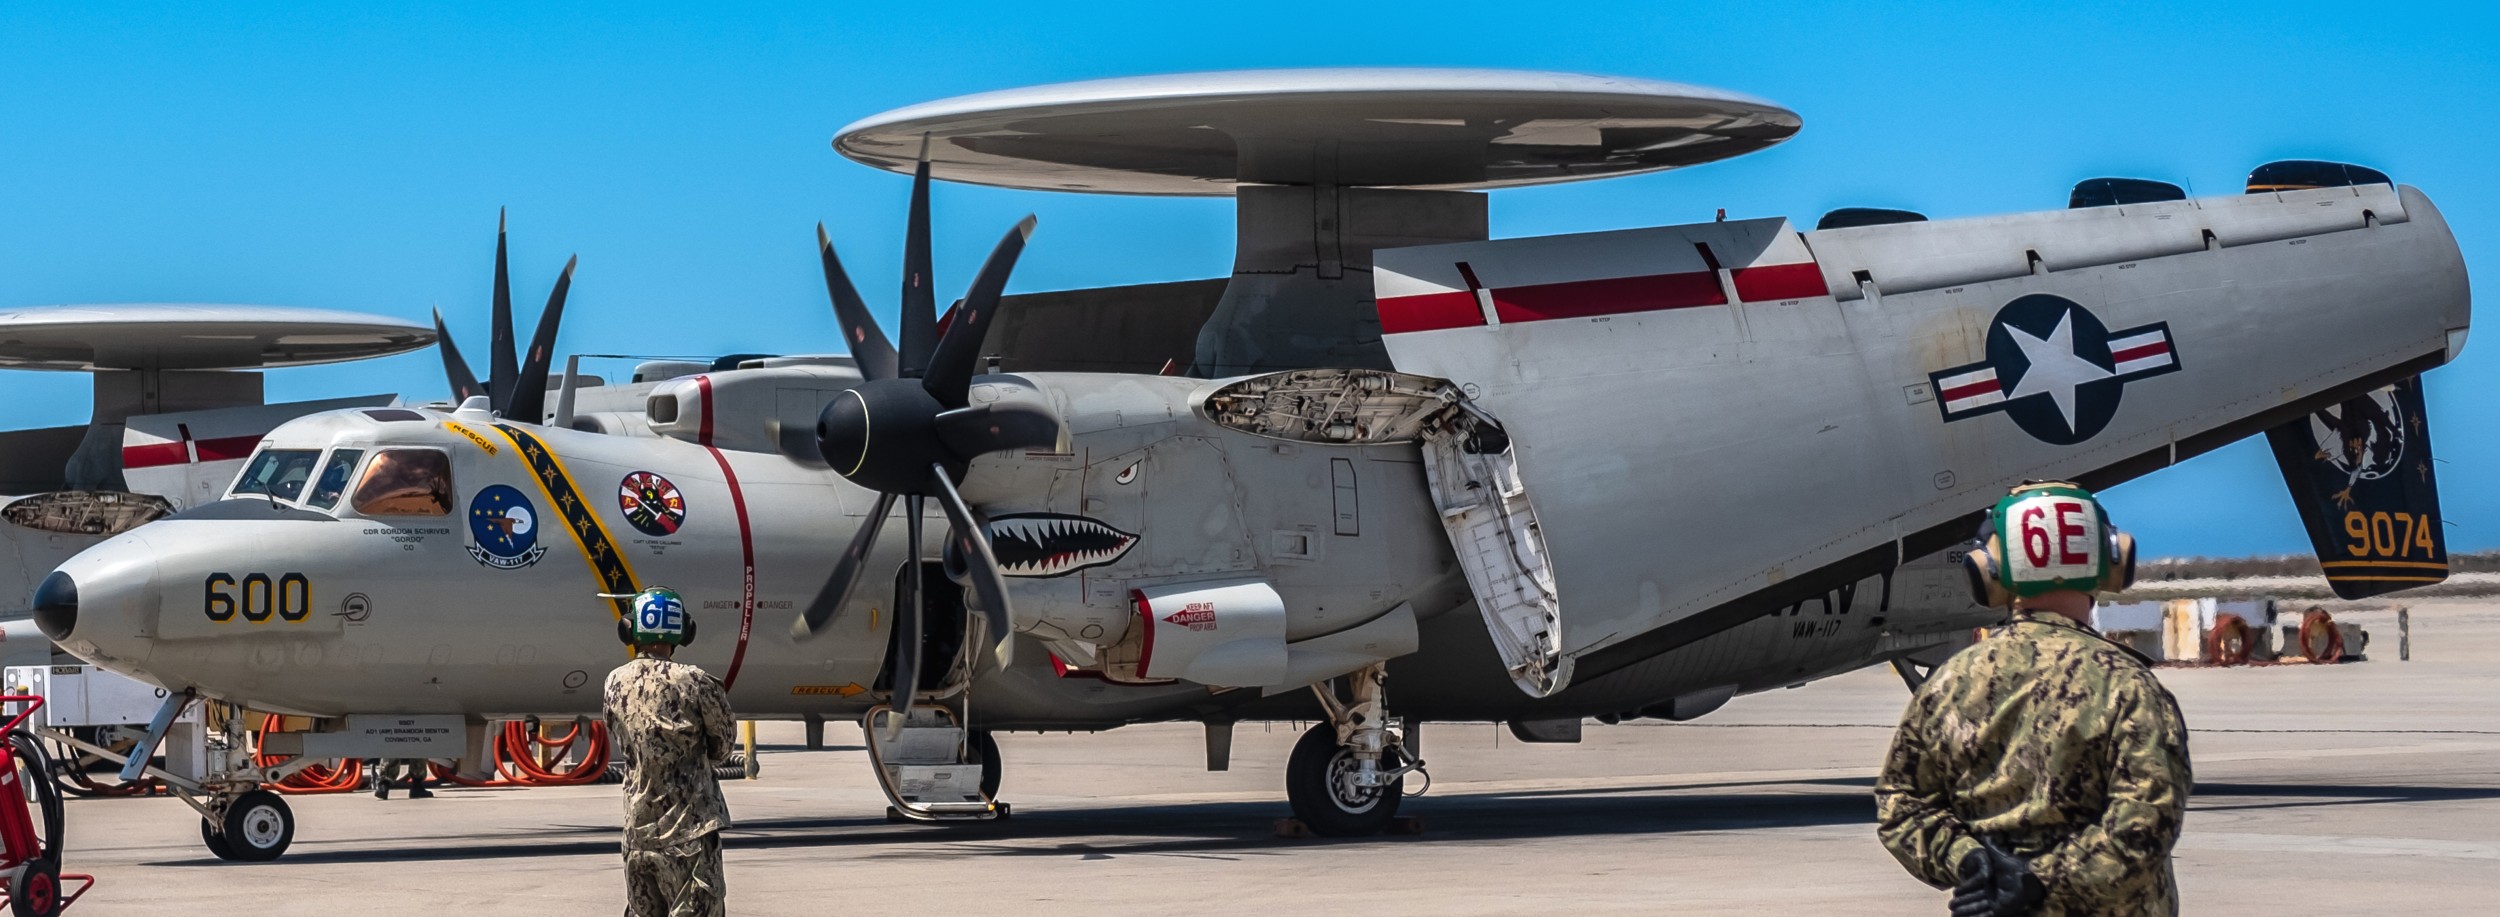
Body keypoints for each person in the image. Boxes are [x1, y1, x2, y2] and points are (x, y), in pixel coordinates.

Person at [1875, 482, 2193, 916]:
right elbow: (2145, 826)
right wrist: (2038, 885)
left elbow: (1901, 804)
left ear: (1989, 571)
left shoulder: (1949, 683)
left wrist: (1972, 861)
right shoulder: (2129, 687)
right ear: (2112, 562)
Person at [603, 586, 734, 917]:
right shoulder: (695, 682)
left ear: (630, 629)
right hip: (688, 834)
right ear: (683, 632)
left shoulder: (614, 682)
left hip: (636, 835)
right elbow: (723, 746)